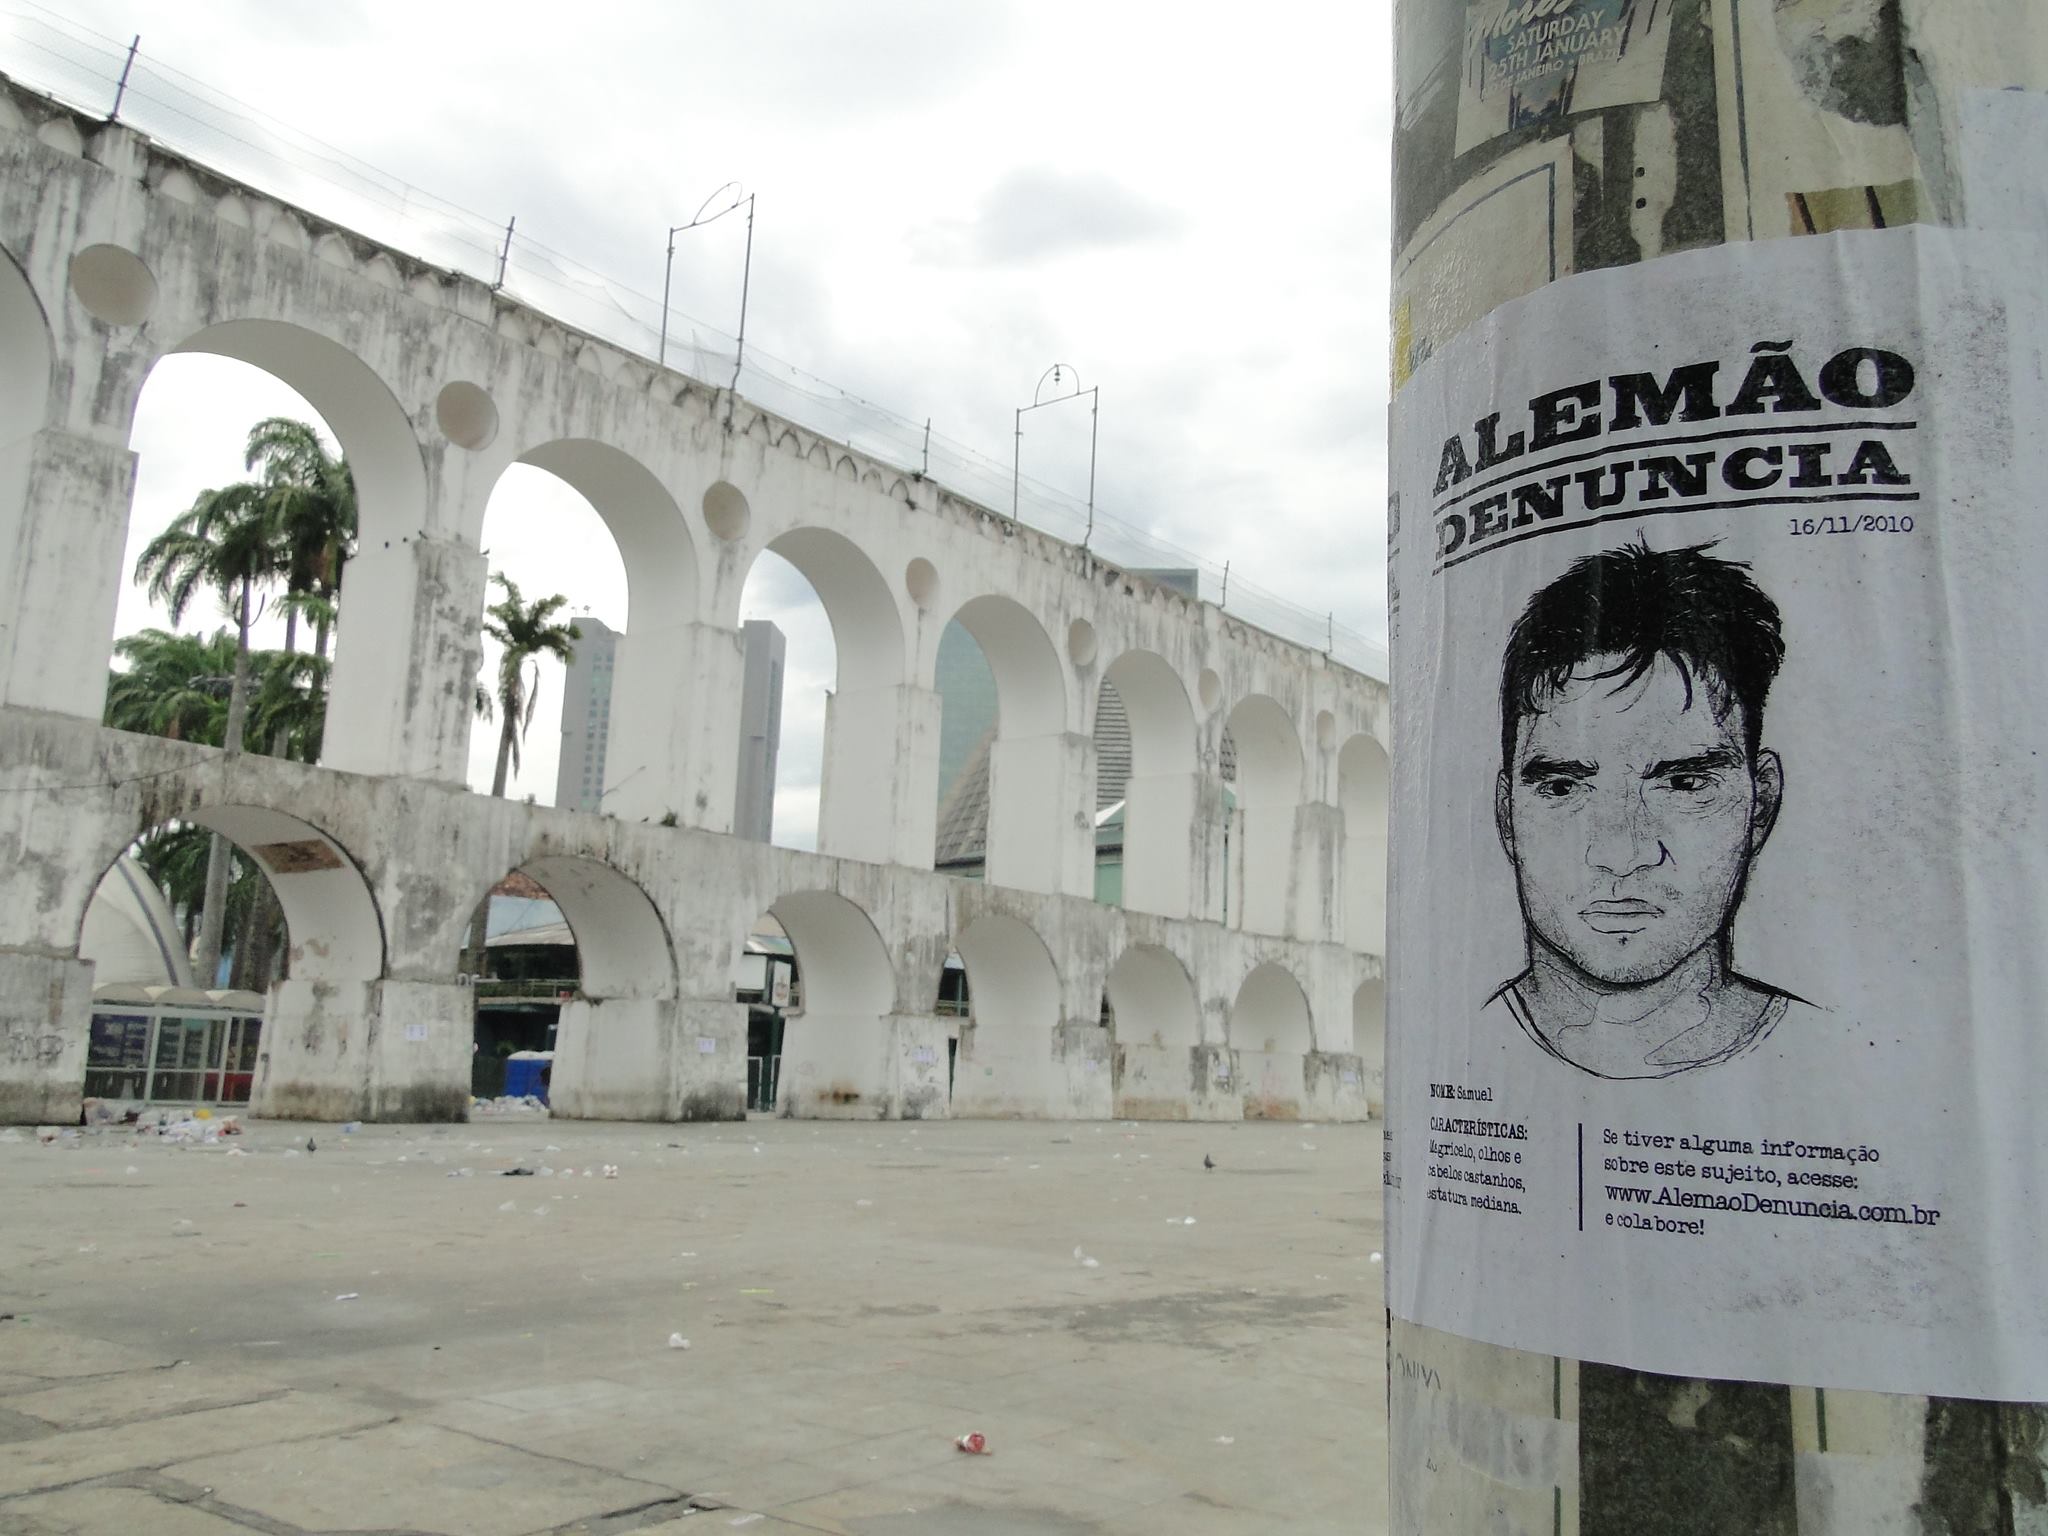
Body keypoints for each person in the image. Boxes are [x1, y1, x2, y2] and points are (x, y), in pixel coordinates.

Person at [1487, 539, 1809, 1078]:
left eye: (1684, 783)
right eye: (1563, 787)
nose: (1621, 854)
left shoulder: (1848, 1054)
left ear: (1762, 804)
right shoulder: (1450, 1043)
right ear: (1507, 817)